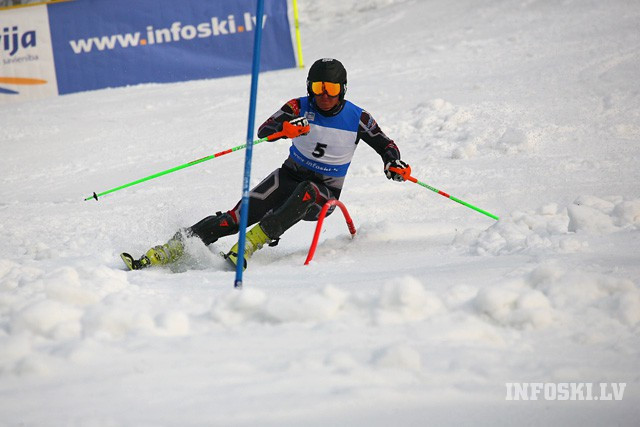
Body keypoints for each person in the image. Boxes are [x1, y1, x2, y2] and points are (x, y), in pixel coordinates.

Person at [121, 58, 410, 270]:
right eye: (319, 86)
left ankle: (250, 244)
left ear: (342, 90)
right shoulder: (298, 107)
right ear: (310, 86)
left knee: (308, 189)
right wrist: (285, 129)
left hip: (323, 194)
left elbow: (386, 144)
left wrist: (393, 163)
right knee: (235, 218)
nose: (324, 94)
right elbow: (264, 130)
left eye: (331, 88)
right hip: (287, 177)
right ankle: (168, 248)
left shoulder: (358, 118)